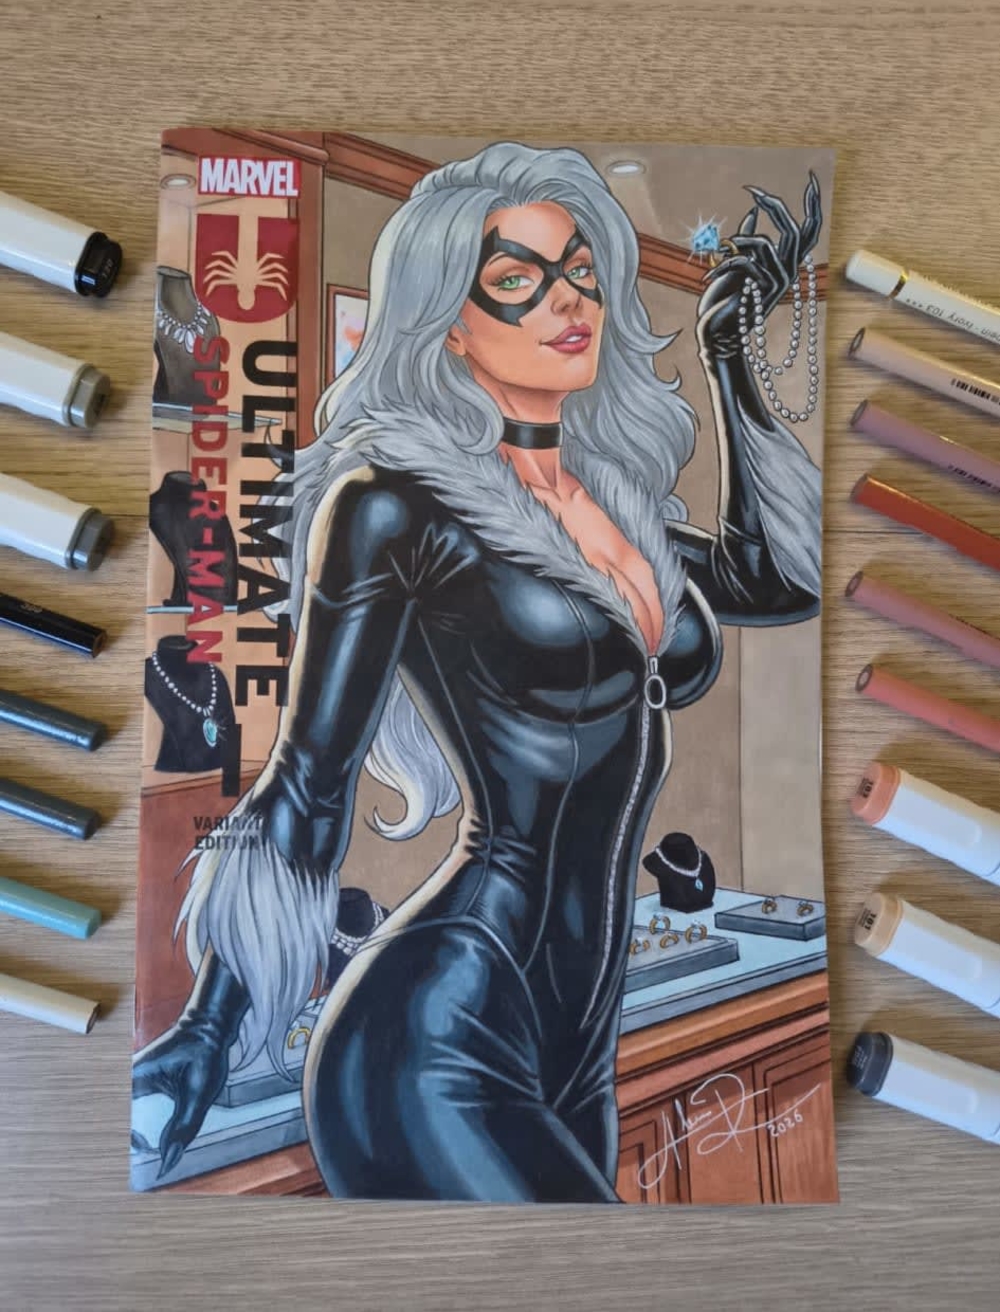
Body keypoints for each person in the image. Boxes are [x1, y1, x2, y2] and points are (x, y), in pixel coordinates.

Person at [133, 142, 822, 1202]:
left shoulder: (615, 509)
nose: (568, 298)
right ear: (447, 320)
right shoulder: (391, 505)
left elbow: (776, 579)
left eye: (579, 270)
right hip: (428, 1038)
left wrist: (728, 350)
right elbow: (308, 785)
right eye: (518, 278)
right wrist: (209, 1029)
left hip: (574, 1052)